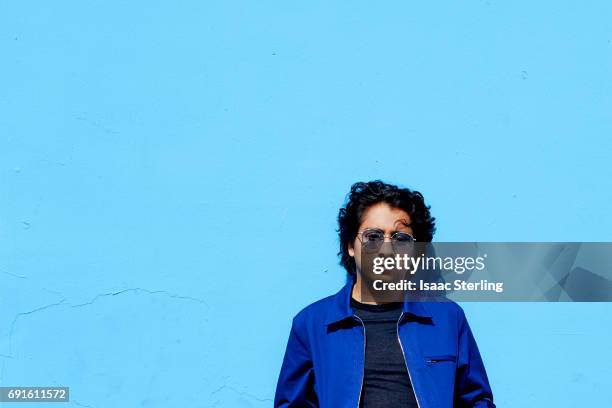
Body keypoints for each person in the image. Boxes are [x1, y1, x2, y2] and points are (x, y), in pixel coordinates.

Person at [274, 180, 495, 407]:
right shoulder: (312, 323)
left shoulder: (447, 318)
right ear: (351, 245)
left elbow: (476, 400)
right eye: (373, 237)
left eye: (400, 239)